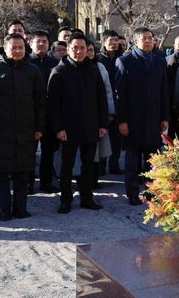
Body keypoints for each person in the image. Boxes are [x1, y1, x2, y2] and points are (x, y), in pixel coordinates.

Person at [0, 33, 46, 221]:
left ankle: (21, 208)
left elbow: (40, 102)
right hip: (0, 131)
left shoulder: (33, 71)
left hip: (26, 130)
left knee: (23, 172)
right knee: (1, 173)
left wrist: (40, 127)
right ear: (5, 49)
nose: (17, 51)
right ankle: (4, 210)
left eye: (20, 47)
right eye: (13, 47)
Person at [48, 34, 109, 214]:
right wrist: (58, 128)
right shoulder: (59, 72)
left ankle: (86, 197)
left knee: (88, 164)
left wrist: (102, 124)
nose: (79, 51)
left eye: (83, 48)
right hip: (68, 128)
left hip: (90, 126)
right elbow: (53, 104)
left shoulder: (93, 69)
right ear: (68, 49)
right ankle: (66, 199)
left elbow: (101, 99)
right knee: (67, 166)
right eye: (75, 48)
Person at [115, 27, 170, 206]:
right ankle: (132, 193)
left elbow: (164, 91)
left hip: (153, 117)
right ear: (135, 42)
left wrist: (164, 117)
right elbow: (119, 94)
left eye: (150, 38)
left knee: (152, 158)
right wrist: (121, 120)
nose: (148, 41)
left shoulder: (159, 61)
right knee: (132, 158)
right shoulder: (125, 61)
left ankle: (151, 191)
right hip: (132, 118)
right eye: (144, 38)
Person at [28, 30, 60, 194]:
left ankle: (46, 182)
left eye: (44, 42)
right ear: (31, 43)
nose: (41, 44)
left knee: (48, 152)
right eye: (38, 41)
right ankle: (28, 183)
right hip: (29, 115)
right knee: (28, 151)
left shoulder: (54, 63)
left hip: (49, 115)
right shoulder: (25, 62)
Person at [97, 30, 124, 176]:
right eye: (110, 40)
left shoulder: (123, 58)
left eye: (116, 40)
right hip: (104, 101)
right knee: (102, 134)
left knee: (117, 137)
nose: (114, 43)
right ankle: (101, 165)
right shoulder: (98, 59)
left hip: (119, 100)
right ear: (103, 42)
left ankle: (114, 163)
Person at [90, 39, 116, 182]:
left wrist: (110, 112)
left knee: (98, 149)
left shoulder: (99, 67)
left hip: (99, 114)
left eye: (90, 51)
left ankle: (95, 178)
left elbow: (108, 91)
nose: (87, 53)